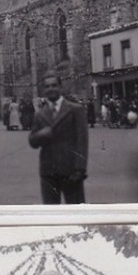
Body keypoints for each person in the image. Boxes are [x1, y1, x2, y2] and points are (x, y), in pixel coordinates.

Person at [28, 73, 89, 204]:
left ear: (61, 87)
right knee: (51, 213)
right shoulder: (40, 114)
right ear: (44, 90)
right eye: (47, 86)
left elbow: (82, 140)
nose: (51, 89)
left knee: (76, 212)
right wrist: (40, 134)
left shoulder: (75, 110)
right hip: (48, 172)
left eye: (54, 85)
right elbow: (32, 141)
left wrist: (80, 168)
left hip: (71, 171)